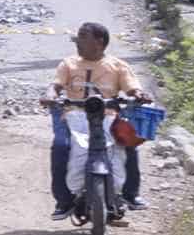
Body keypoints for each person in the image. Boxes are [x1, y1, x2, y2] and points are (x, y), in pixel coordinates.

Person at [44, 20, 142, 220]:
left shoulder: (118, 66)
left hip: (108, 116)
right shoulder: (68, 64)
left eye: (82, 38)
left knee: (130, 143)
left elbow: (133, 88)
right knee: (61, 146)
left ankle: (130, 194)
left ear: (99, 42)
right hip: (73, 115)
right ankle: (64, 200)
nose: (77, 43)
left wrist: (139, 95)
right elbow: (55, 86)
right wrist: (50, 96)